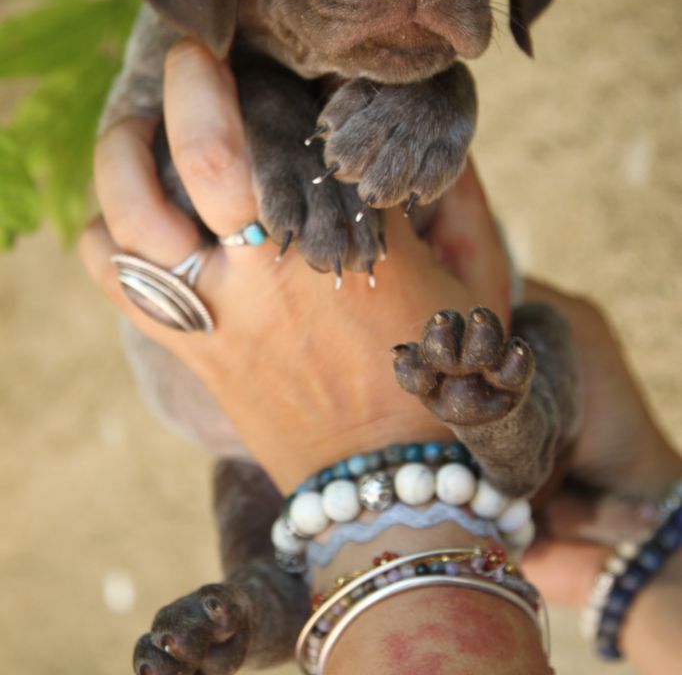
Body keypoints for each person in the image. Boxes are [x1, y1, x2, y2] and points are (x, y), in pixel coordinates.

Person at [80, 40, 682, 675]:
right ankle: (503, 422)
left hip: (260, 429)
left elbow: (298, 579)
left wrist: (246, 616)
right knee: (527, 367)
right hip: (484, 379)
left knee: (259, 552)